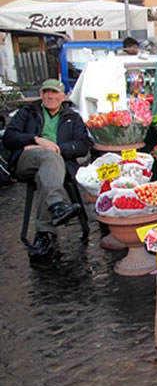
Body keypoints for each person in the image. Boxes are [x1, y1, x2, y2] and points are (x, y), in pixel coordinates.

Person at [2, 79, 91, 257]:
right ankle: (57, 205)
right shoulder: (28, 113)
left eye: (54, 92)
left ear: (63, 96)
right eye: (46, 92)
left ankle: (44, 235)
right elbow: (9, 137)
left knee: (46, 173)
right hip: (28, 160)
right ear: (41, 94)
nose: (49, 96)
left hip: (60, 163)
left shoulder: (73, 118)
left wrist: (57, 148)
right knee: (48, 158)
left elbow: (83, 145)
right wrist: (35, 140)